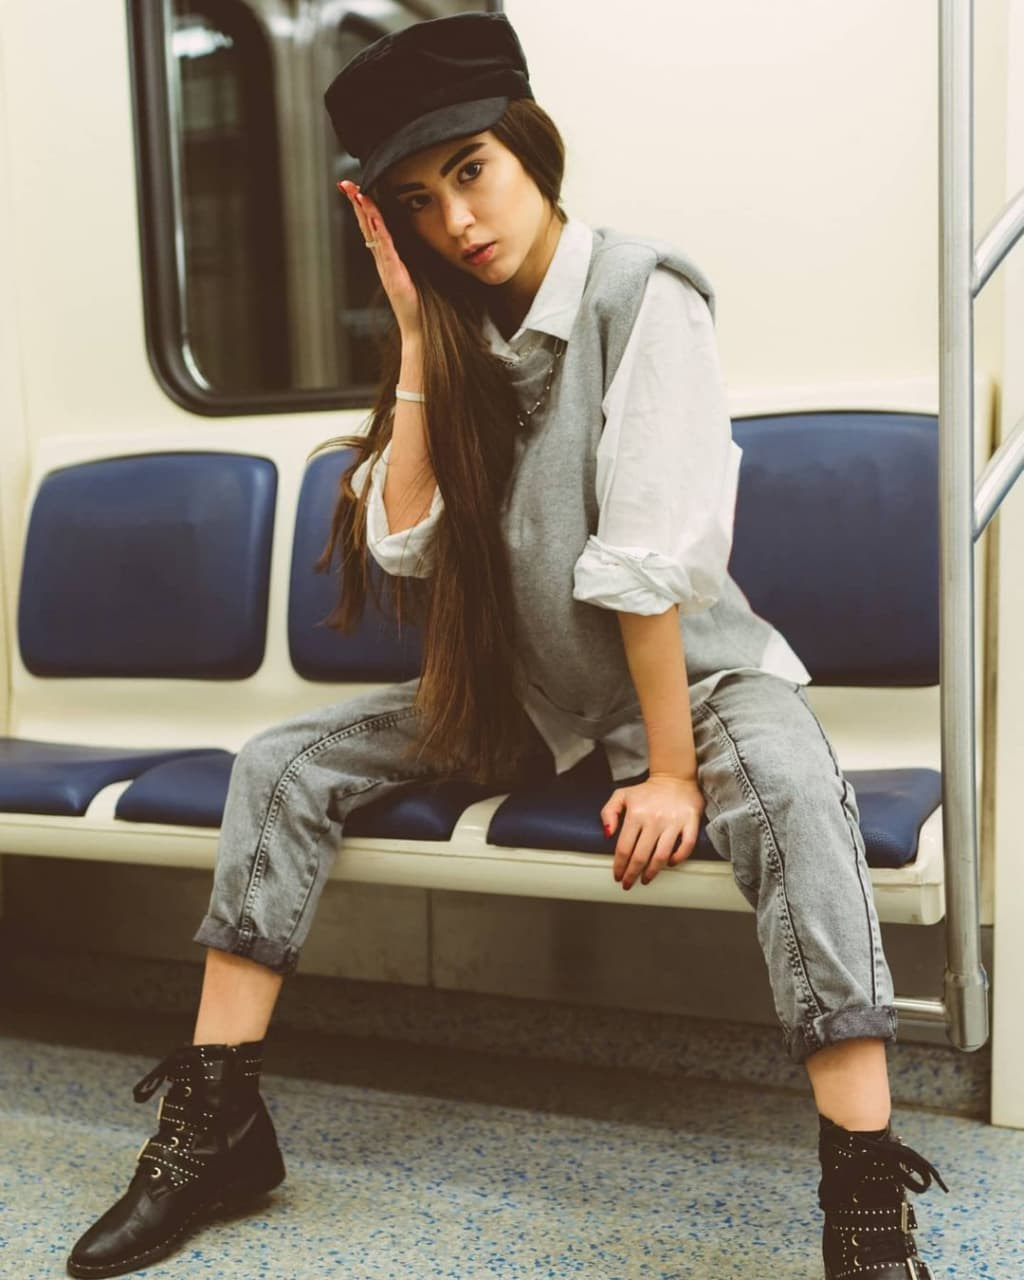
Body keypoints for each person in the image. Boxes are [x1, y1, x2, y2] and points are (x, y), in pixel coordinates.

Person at [66, 11, 948, 1279]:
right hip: (524, 697)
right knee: (278, 764)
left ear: (532, 149)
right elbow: (404, 544)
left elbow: (644, 559)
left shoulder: (646, 292)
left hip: (689, 681)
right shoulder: (457, 329)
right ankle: (217, 1123)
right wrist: (418, 342)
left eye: (471, 170)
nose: (459, 219)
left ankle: (863, 1196)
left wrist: (671, 766)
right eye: (419, 201)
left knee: (800, 792)